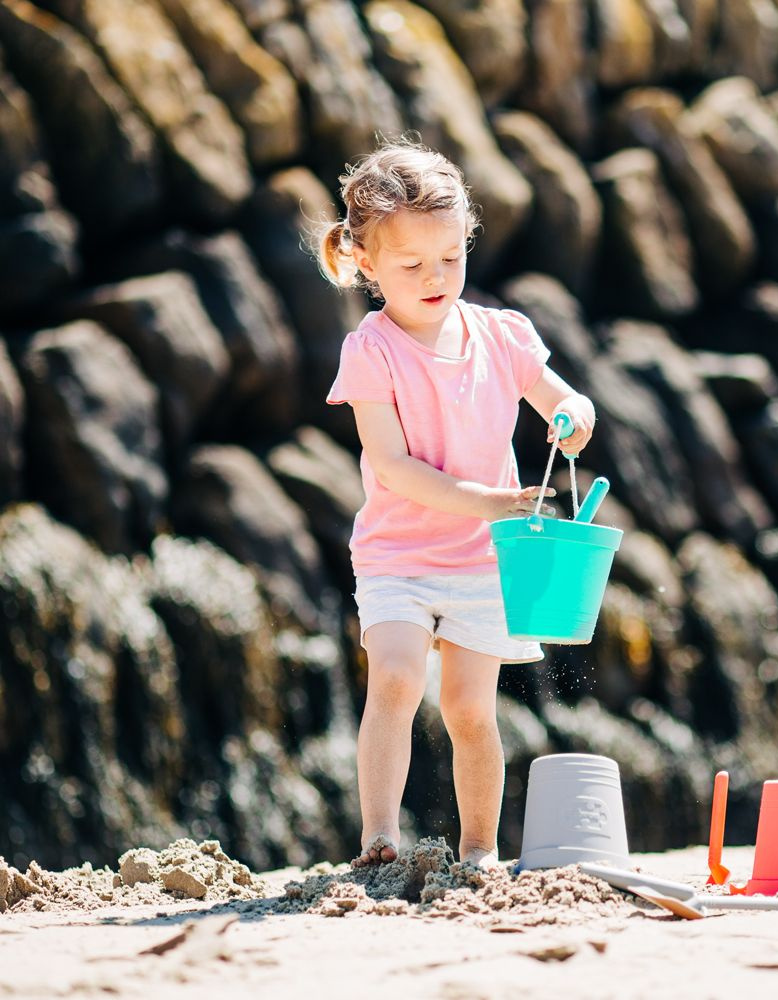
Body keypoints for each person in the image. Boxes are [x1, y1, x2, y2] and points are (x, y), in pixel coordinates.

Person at [318, 138, 596, 869]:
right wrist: (489, 501)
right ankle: (380, 838)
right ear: (366, 263)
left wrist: (573, 415)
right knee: (396, 678)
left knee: (471, 708)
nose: (435, 277)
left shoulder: (501, 336)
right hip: (398, 555)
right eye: (411, 265)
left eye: (450, 256)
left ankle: (480, 851)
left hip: (482, 559)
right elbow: (393, 465)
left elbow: (562, 398)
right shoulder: (371, 351)